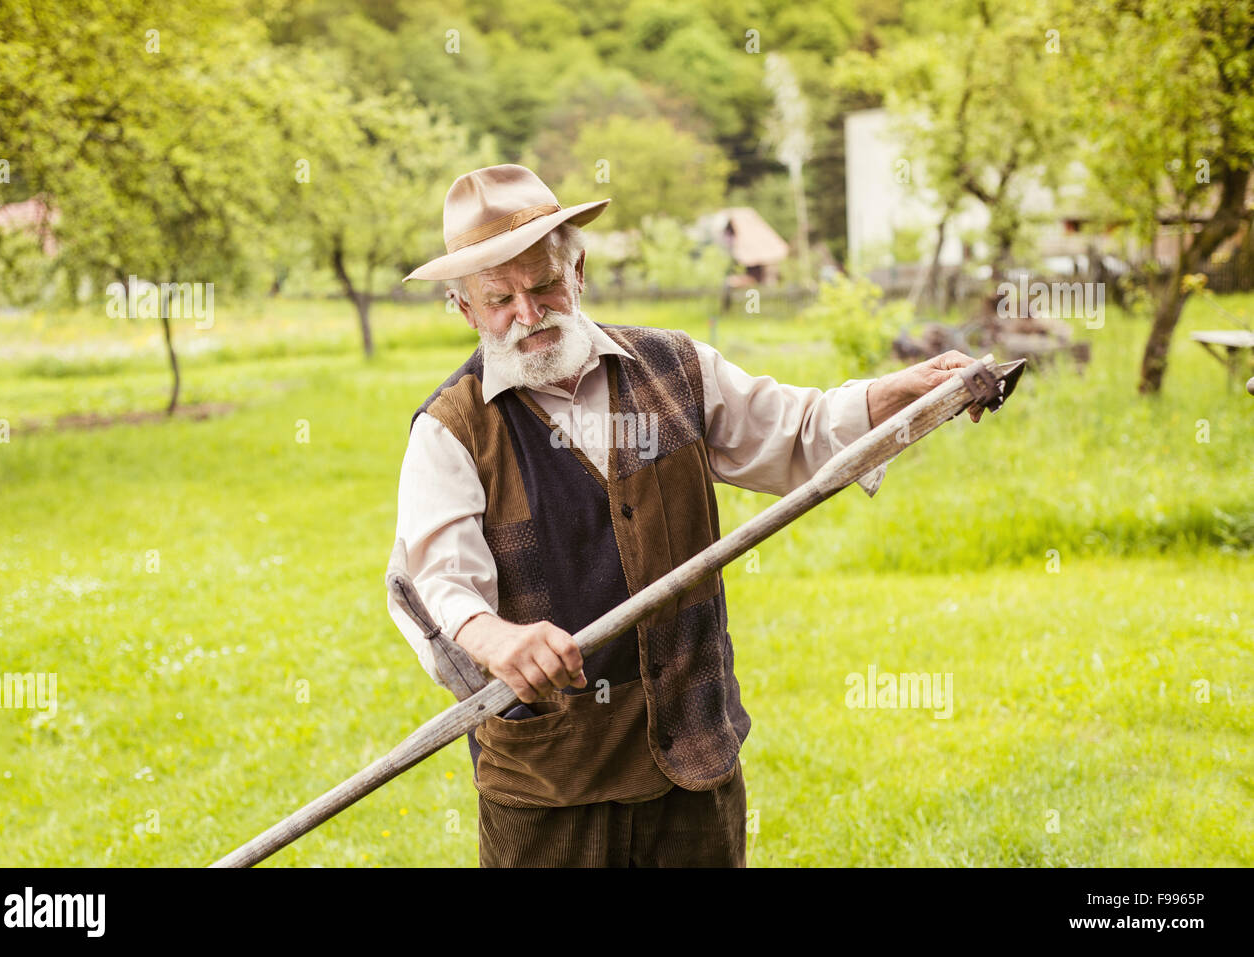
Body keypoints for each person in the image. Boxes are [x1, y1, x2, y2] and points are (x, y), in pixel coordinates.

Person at [388, 164, 979, 867]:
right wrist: (493, 637)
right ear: (465, 311)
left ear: (576, 270)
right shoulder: (451, 429)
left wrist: (900, 395)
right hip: (552, 783)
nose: (528, 311)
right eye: (500, 298)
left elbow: (798, 429)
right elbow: (436, 583)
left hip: (694, 757)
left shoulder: (674, 367)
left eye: (543, 284)